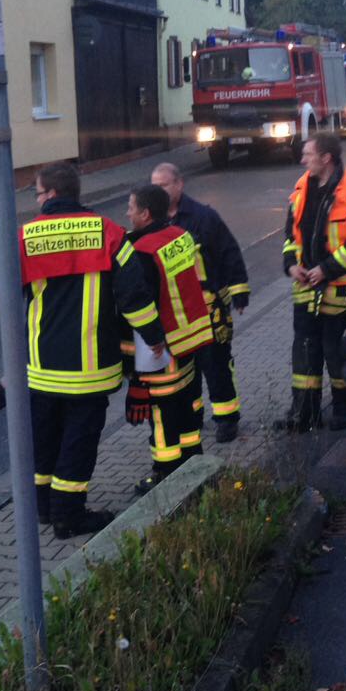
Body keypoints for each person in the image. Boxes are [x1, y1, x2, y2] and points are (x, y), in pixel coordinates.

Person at [0, 161, 165, 538]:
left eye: (37, 193)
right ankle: (69, 517)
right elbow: (135, 296)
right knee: (77, 445)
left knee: (43, 441)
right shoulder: (110, 234)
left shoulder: (23, 238)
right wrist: (153, 336)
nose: (36, 200)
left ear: (50, 194)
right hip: (92, 370)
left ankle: (45, 510)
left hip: (42, 369)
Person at [279, 130, 346, 431]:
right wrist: (291, 265)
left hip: (342, 291)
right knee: (305, 352)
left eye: (308, 154)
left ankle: (344, 412)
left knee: (338, 352)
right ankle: (304, 413)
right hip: (306, 289)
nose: (302, 159)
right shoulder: (301, 189)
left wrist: (327, 269)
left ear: (326, 158)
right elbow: (290, 237)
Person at [124, 183, 214, 496]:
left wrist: (134, 364)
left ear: (145, 214)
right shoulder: (180, 235)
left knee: (161, 413)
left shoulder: (141, 251)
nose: (128, 213)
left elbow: (141, 305)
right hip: (191, 338)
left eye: (131, 208)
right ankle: (193, 462)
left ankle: (166, 474)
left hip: (161, 348)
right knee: (186, 405)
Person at [150, 162, 250, 443]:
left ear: (179, 185)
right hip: (175, 312)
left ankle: (227, 419)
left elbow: (229, 252)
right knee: (184, 371)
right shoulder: (154, 222)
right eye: (153, 186)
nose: (157, 191)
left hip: (208, 309)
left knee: (216, 366)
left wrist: (240, 292)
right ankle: (192, 417)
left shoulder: (202, 217)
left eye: (163, 185)